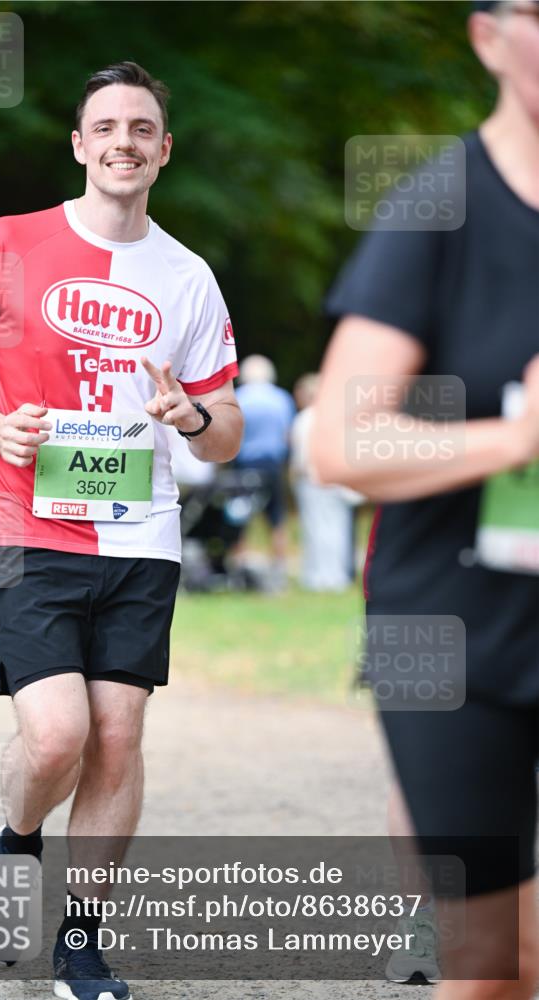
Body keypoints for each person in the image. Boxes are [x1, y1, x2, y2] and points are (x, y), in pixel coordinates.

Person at [0, 61, 242, 1000]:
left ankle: (81, 942)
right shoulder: (12, 243)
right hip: (26, 523)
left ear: (163, 150)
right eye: (107, 126)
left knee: (117, 735)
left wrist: (187, 417)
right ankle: (16, 837)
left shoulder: (187, 276)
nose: (124, 142)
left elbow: (226, 433)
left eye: (142, 128)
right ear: (79, 143)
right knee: (56, 736)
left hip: (141, 535)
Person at [314, 2, 539, 997]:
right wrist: (520, 438)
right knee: (492, 964)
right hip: (455, 635)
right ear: (487, 35)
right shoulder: (438, 203)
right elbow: (341, 442)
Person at [290, 373, 360, 591]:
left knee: (317, 528)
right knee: (337, 528)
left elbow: (302, 456)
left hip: (313, 480)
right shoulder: (336, 416)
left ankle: (320, 576)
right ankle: (336, 575)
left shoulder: (306, 418)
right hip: (336, 479)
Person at [234, 354, 295, 588]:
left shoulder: (240, 398)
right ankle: (279, 572)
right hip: (274, 465)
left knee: (239, 519)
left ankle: (240, 569)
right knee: (277, 519)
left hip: (245, 464)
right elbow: (288, 435)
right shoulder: (282, 399)